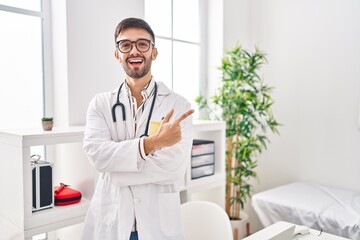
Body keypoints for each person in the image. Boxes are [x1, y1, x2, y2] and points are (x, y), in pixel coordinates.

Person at [81, 17, 194, 240]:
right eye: (125, 45)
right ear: (117, 54)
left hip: (156, 225)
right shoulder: (101, 103)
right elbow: (97, 155)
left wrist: (116, 170)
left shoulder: (179, 105)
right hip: (112, 220)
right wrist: (154, 143)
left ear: (154, 52)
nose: (134, 51)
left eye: (143, 44)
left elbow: (174, 167)